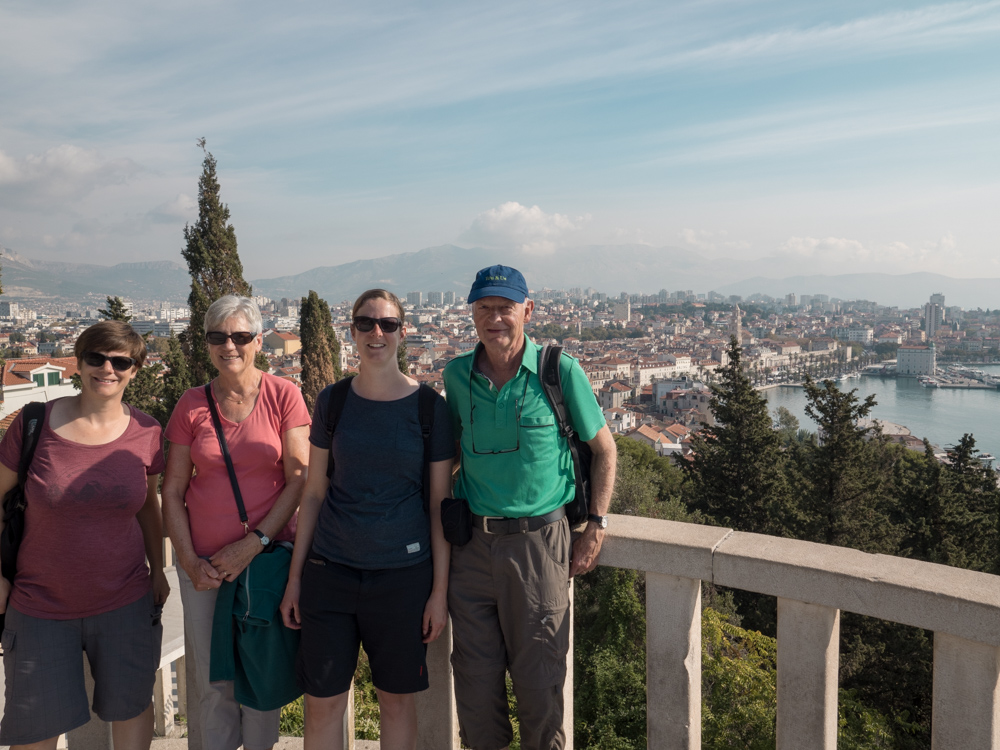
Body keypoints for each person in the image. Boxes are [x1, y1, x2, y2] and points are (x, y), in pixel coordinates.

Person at [442, 265, 617, 750]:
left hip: (540, 545)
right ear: (472, 313)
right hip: (472, 547)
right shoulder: (456, 375)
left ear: (528, 311)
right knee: (475, 691)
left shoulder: (559, 371)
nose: (494, 318)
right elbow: (449, 456)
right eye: (484, 309)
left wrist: (596, 526)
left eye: (505, 308)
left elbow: (605, 450)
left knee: (541, 688)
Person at [280, 289, 453, 750]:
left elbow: (440, 504)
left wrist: (439, 592)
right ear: (351, 330)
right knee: (322, 704)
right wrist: (296, 579)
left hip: (403, 578)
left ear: (403, 331)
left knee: (396, 703)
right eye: (366, 323)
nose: (377, 333)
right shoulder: (332, 402)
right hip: (329, 573)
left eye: (388, 324)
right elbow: (313, 493)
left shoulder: (429, 408)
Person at [0, 320, 169, 750]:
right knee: (33, 728)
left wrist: (159, 571)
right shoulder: (35, 423)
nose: (106, 368)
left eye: (120, 361)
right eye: (96, 358)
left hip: (125, 602)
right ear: (78, 363)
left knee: (132, 709)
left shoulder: (148, 432)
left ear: (135, 370)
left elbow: (149, 504)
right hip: (38, 605)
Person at [162, 295, 310, 750]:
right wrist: (187, 560)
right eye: (218, 336)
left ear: (258, 341)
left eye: (240, 336)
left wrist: (255, 543)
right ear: (206, 344)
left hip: (263, 565)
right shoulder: (192, 405)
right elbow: (171, 489)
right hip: (204, 568)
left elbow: (299, 478)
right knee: (212, 682)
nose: (229, 345)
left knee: (260, 680)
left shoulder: (284, 395)